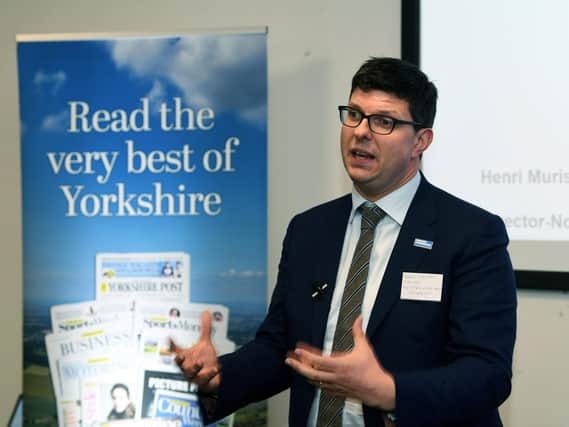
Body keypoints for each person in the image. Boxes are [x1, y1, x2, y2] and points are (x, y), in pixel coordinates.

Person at [170, 57, 517, 427]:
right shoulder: (309, 229)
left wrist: (388, 390)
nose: (361, 132)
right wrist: (219, 376)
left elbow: (487, 374)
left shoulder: (471, 233)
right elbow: (280, 348)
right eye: (354, 114)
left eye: (383, 121)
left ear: (420, 141)